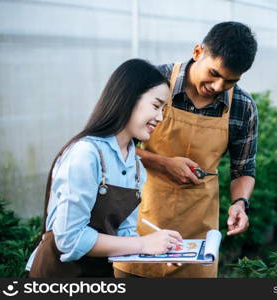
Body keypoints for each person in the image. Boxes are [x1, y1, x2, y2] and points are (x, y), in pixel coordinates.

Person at [113, 21, 258, 278]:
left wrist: (240, 203)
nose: (217, 86)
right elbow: (114, 142)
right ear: (198, 52)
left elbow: (243, 168)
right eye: (214, 73)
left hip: (197, 226)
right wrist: (162, 163)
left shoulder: (242, 107)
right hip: (143, 215)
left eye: (230, 81)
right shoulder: (155, 83)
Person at [26, 59, 183, 277]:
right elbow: (69, 239)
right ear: (128, 98)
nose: (160, 118)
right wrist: (144, 245)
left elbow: (124, 235)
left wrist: (159, 252)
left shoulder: (135, 165)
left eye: (163, 110)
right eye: (156, 106)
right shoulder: (86, 154)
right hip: (58, 273)